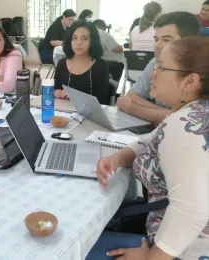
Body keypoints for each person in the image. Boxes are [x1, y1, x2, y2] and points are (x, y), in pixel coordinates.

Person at [87, 36, 209, 260]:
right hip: (174, 238)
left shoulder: (184, 126)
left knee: (79, 246)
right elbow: (150, 140)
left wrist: (151, 257)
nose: (152, 72)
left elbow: (192, 211)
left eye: (161, 67)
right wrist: (118, 158)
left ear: (190, 82)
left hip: (183, 251)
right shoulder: (193, 113)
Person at [117, 12, 201, 125]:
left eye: (166, 40)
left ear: (189, 41)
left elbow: (190, 122)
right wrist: (168, 114)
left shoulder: (203, 68)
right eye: (157, 39)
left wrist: (133, 108)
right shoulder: (155, 62)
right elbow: (133, 95)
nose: (157, 45)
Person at [53, 21, 110, 105]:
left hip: (89, 115)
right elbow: (55, 90)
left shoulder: (101, 65)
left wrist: (76, 97)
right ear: (70, 40)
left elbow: (102, 100)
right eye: (74, 38)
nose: (78, 43)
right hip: (63, 113)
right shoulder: (62, 63)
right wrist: (56, 93)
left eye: (85, 38)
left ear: (92, 41)